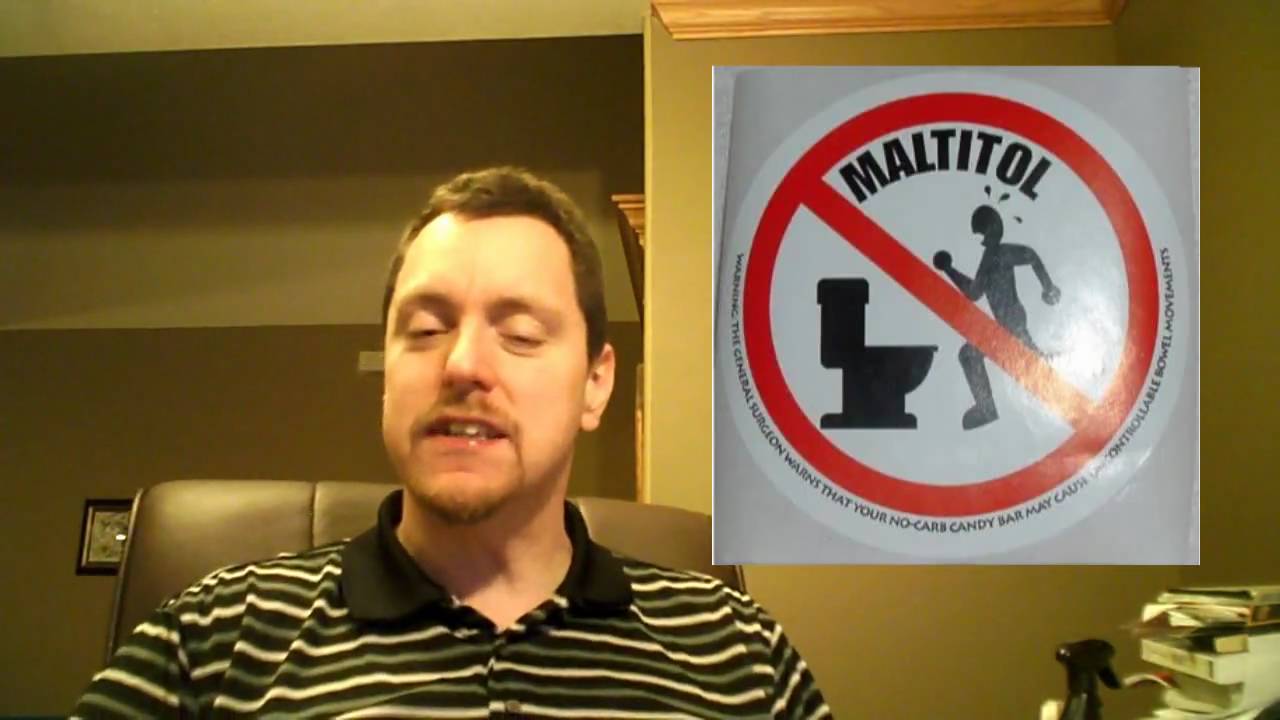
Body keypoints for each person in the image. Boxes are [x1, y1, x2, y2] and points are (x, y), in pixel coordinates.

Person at [73, 167, 831, 718]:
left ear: (596, 385)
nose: (463, 364)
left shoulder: (741, 655)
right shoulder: (212, 637)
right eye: (426, 329)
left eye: (521, 333)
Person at [933, 203, 1060, 430]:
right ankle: (991, 406)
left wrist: (1048, 287)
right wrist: (949, 270)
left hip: (1011, 321)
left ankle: (987, 409)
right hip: (1008, 322)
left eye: (982, 233)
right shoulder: (991, 255)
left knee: (971, 355)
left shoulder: (999, 253)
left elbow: (1030, 256)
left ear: (990, 230)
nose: (982, 239)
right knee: (983, 355)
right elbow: (974, 292)